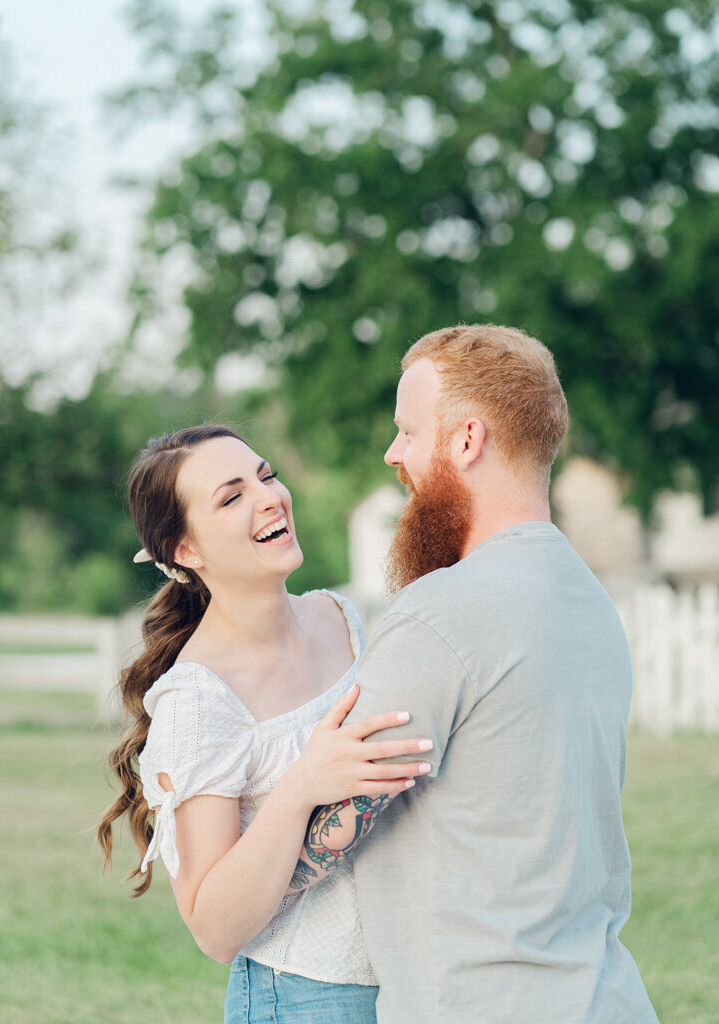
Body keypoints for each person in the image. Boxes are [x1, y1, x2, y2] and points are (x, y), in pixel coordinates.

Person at [286, 325, 659, 1024]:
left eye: (407, 431)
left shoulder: (441, 613)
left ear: (466, 441)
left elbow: (325, 830)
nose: (393, 454)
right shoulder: (589, 602)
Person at [96, 424, 434, 1024]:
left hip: (413, 974)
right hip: (307, 995)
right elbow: (214, 928)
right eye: (230, 497)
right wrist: (301, 787)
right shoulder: (198, 701)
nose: (269, 497)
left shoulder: (341, 618)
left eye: (266, 475)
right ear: (185, 551)